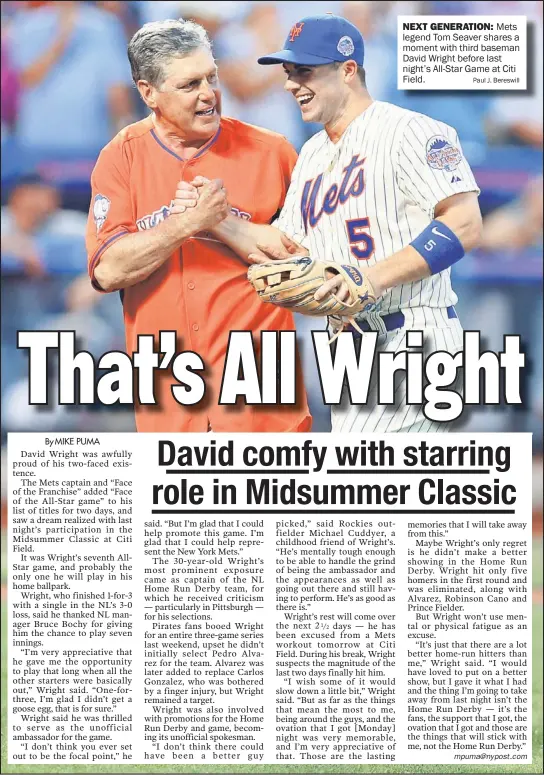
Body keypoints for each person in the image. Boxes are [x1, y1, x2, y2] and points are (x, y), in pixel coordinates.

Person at [175, 13, 483, 433]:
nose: (290, 84)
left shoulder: (410, 130)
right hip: (350, 352)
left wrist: (372, 278)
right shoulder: (313, 154)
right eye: (288, 72)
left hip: (416, 339)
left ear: (348, 70)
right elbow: (290, 247)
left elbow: (464, 223)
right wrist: (217, 220)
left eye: (305, 71)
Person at [85, 18, 311, 433]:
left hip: (261, 406)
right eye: (190, 85)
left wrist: (220, 222)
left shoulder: (270, 151)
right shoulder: (122, 157)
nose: (208, 95)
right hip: (171, 404)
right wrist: (185, 225)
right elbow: (108, 270)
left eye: (212, 77)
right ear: (148, 92)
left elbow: (309, 260)